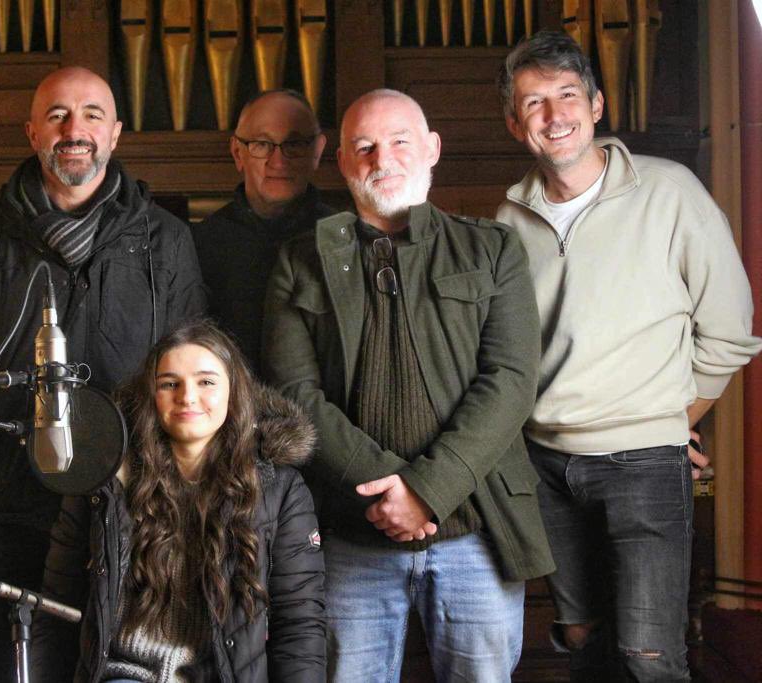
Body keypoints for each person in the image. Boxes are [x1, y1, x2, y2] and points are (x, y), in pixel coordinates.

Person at [0, 66, 208, 682]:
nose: (75, 130)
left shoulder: (167, 240)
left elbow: (193, 369)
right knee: (7, 666)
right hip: (14, 504)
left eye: (92, 115)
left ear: (116, 133)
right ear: (32, 132)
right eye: (57, 115)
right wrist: (4, 449)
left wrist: (150, 463)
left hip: (136, 504)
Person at [262, 88, 554, 682]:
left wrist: (426, 490)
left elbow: (511, 382)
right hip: (352, 533)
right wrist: (386, 499)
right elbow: (295, 395)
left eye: (399, 141)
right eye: (363, 146)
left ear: (432, 149)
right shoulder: (300, 260)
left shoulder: (493, 249)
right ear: (342, 162)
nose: (381, 158)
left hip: (478, 529)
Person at [495, 31, 762, 681]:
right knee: (583, 643)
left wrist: (673, 420)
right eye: (534, 103)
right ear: (514, 122)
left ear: (597, 105)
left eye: (566, 96)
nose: (554, 116)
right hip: (546, 468)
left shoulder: (672, 193)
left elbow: (729, 333)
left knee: (648, 657)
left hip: (643, 463)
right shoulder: (507, 219)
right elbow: (501, 352)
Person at [30, 320, 326, 682]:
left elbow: (300, 625)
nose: (186, 397)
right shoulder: (104, 480)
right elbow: (55, 604)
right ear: (151, 395)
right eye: (169, 384)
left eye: (206, 382)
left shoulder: (280, 490)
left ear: (234, 392)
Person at [193, 89, 332, 372]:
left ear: (317, 152)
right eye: (262, 144)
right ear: (237, 153)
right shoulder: (198, 244)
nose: (278, 161)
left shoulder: (345, 240)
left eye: (294, 143)